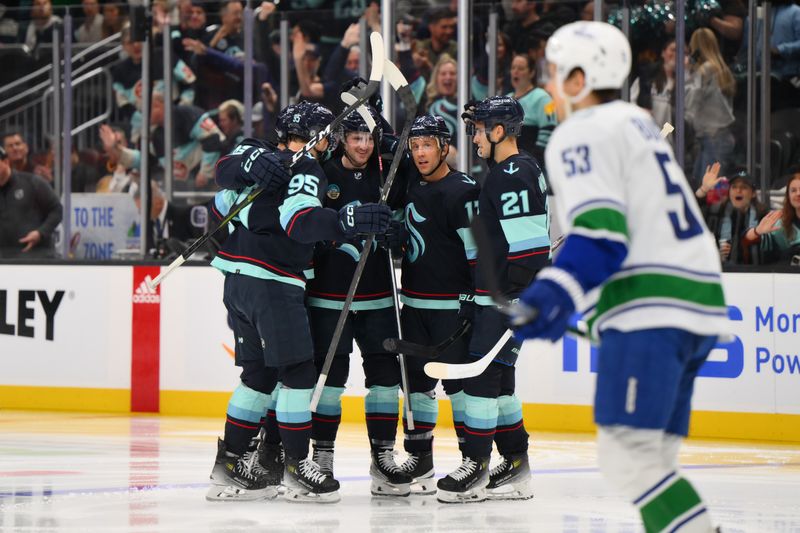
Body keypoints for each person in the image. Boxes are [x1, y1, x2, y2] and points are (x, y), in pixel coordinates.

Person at [514, 21, 729, 533]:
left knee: (626, 455)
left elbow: (602, 236)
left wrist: (551, 293)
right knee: (651, 457)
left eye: (554, 71)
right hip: (696, 301)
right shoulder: (634, 120)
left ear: (580, 78)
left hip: (651, 305)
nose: (547, 83)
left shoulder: (581, 131)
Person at [207, 101, 392, 503]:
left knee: (257, 375)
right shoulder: (306, 168)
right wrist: (346, 221)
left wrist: (255, 194)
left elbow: (220, 203)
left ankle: (230, 465)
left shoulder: (261, 156)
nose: (330, 142)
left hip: (236, 279)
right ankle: (295, 467)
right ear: (313, 136)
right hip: (274, 283)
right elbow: (299, 222)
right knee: (297, 373)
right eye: (326, 134)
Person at [305, 106, 412, 497]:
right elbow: (307, 224)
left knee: (384, 380)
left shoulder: (386, 172)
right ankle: (322, 455)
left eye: (369, 138)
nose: (364, 146)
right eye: (356, 138)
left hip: (378, 294)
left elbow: (407, 203)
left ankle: (383, 455)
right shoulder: (323, 173)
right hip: (330, 296)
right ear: (342, 140)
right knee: (328, 381)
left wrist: (395, 230)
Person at [388, 115, 480, 496]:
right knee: (416, 387)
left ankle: (471, 459)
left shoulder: (464, 191)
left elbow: (479, 254)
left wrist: (477, 300)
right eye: (415, 146)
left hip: (452, 310)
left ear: (445, 147)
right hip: (413, 305)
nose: (421, 153)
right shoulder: (410, 186)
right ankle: (420, 458)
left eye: (428, 144)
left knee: (460, 389)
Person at [685, 28, 736, 183]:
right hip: (713, 137)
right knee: (700, 184)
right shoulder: (719, 69)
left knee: (710, 189)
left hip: (714, 138)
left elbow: (689, 104)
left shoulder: (705, 70)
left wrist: (687, 71)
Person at [0, 146, 63, 259]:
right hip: (4, 261)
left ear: (5, 162)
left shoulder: (32, 182)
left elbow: (57, 210)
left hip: (37, 257)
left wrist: (40, 233)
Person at [507, 53, 557, 165]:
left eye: (520, 68)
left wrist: (533, 162)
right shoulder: (506, 99)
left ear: (531, 73)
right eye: (513, 68)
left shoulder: (543, 98)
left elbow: (549, 132)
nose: (515, 72)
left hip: (532, 165)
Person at [743, 173, 800, 264]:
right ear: (788, 196)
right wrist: (757, 231)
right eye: (793, 190)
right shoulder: (780, 224)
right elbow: (746, 241)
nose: (798, 193)